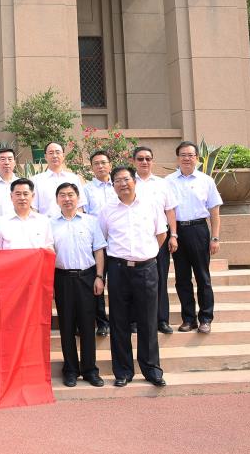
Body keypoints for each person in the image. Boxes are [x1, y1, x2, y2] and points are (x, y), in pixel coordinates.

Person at [99, 166, 167, 388]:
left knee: (148, 320)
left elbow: (161, 234)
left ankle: (151, 369)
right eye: (117, 180)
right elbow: (103, 239)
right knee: (119, 321)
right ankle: (123, 371)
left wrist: (145, 255)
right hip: (118, 269)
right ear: (113, 186)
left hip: (146, 269)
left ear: (134, 181)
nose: (122, 184)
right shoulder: (107, 210)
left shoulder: (151, 204)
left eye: (126, 179)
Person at [50, 182, 107, 388]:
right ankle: (71, 370)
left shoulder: (91, 222)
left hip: (87, 277)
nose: (67, 199)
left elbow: (99, 250)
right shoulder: (49, 224)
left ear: (78, 198)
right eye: (62, 195)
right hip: (62, 278)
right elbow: (48, 254)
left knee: (87, 325)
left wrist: (99, 277)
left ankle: (90, 370)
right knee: (66, 325)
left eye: (71, 195)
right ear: (57, 200)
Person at [166, 141, 223, 334]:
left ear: (197, 158)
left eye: (190, 155)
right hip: (177, 231)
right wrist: (172, 235)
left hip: (199, 230)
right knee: (182, 278)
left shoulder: (206, 181)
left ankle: (205, 318)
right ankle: (188, 319)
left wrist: (215, 238)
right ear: (178, 158)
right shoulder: (168, 181)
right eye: (183, 155)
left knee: (202, 277)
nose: (187, 158)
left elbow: (214, 211)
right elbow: (167, 210)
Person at [132, 146, 179, 334]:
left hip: (160, 237)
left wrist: (173, 235)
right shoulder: (128, 182)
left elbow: (170, 210)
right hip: (136, 239)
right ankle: (135, 320)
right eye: (140, 158)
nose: (144, 162)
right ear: (133, 161)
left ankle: (162, 320)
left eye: (148, 158)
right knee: (135, 280)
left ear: (152, 161)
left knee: (159, 278)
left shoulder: (163, 184)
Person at [81, 150, 117, 337]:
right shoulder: (86, 189)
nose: (100, 166)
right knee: (98, 281)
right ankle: (102, 322)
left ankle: (122, 320)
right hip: (96, 245)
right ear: (92, 167)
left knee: (119, 285)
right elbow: (84, 216)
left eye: (103, 162)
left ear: (110, 165)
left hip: (118, 242)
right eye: (96, 163)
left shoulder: (119, 185)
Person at [0, 178, 54, 251]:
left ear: (33, 196)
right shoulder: (0, 223)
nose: (22, 198)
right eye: (18, 194)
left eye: (25, 194)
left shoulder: (43, 221)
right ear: (11, 197)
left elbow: (49, 248)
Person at [31, 142, 87, 218]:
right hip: (47, 224)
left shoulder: (73, 178)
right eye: (51, 153)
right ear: (45, 157)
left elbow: (80, 206)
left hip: (70, 223)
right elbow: (34, 208)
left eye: (58, 152)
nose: (54, 156)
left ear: (63, 156)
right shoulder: (36, 180)